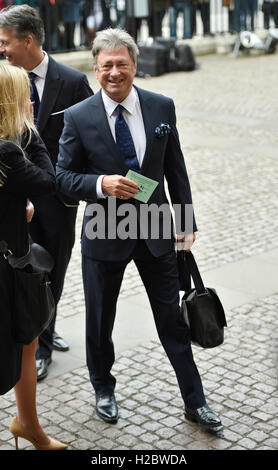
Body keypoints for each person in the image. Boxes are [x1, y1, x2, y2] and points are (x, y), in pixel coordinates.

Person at [56, 28, 223, 433]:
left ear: (135, 66)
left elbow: (175, 169)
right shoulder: (78, 117)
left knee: (172, 319)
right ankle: (103, 389)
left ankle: (195, 402)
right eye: (107, 65)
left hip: (154, 229)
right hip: (103, 228)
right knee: (99, 320)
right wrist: (100, 185)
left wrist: (185, 223)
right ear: (95, 68)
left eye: (122, 64)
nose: (115, 72)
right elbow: (61, 177)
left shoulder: (161, 106)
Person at [0, 4, 94, 381]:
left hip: (54, 203)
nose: (2, 48)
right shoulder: (3, 79)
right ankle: (26, 335)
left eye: (6, 42)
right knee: (18, 276)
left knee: (49, 275)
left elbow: (89, 136)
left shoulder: (71, 81)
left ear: (28, 40)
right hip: (13, 207)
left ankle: (44, 341)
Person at [0, 63, 67, 450]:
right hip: (7, 267)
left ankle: (28, 424)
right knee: (17, 343)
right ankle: (29, 426)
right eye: (25, 95)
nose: (31, 100)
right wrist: (30, 128)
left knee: (28, 340)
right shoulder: (9, 151)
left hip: (13, 259)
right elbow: (47, 181)